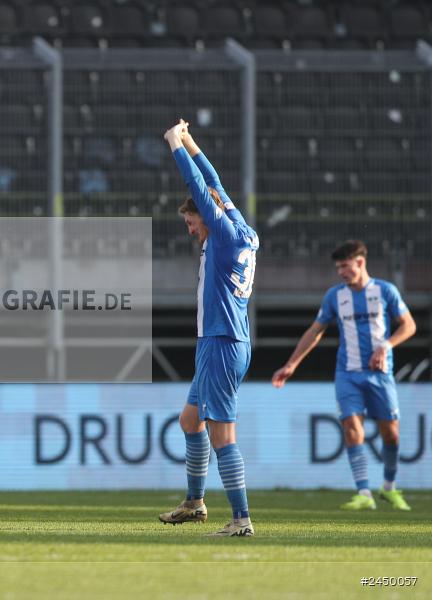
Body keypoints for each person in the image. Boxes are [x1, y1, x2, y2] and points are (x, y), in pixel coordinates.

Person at [158, 119, 260, 537]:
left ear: (207, 216)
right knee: (190, 421)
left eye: (191, 222)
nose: (190, 229)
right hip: (222, 341)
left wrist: (174, 145)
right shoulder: (243, 230)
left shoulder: (223, 234)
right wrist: (191, 140)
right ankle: (195, 502)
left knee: (223, 436)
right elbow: (214, 183)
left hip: (221, 342)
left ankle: (241, 520)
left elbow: (201, 187)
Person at [272, 240, 416, 511]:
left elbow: (409, 326)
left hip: (380, 375)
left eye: (345, 266)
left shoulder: (385, 291)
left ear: (360, 262)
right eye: (338, 268)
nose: (340, 272)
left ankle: (388, 487)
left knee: (391, 435)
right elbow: (315, 331)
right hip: (347, 374)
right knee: (351, 429)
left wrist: (385, 346)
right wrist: (291, 364)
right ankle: (364, 492)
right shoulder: (335, 296)